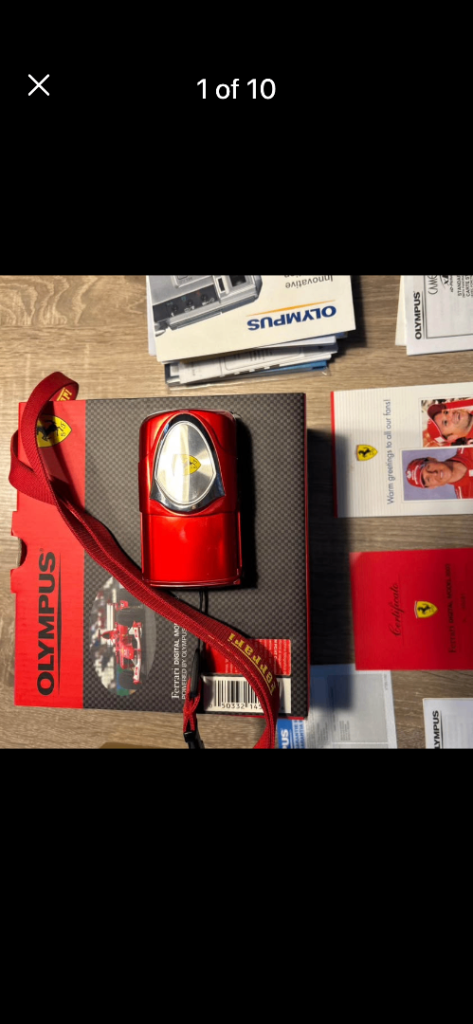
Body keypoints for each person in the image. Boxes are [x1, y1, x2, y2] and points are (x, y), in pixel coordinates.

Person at [406, 447, 473, 499]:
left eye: (428, 467)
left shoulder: (467, 446)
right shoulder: (467, 498)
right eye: (428, 479)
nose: (434, 473)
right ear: (432, 487)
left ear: (432, 459)